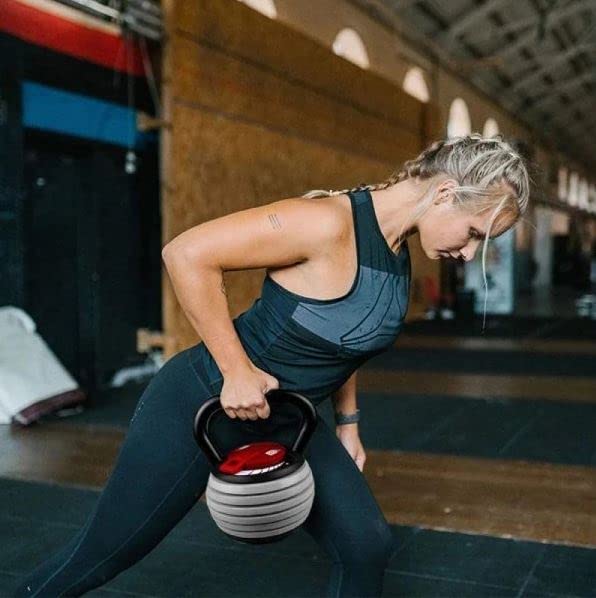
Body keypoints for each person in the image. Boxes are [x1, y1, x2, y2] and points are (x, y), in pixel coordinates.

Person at [15, 133, 531, 597]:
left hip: (287, 415)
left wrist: (348, 423)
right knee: (99, 557)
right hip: (204, 403)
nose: (470, 254)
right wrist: (236, 371)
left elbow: (349, 338)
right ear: (444, 193)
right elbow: (186, 253)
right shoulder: (326, 223)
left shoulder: (396, 247)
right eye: (473, 233)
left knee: (366, 545)